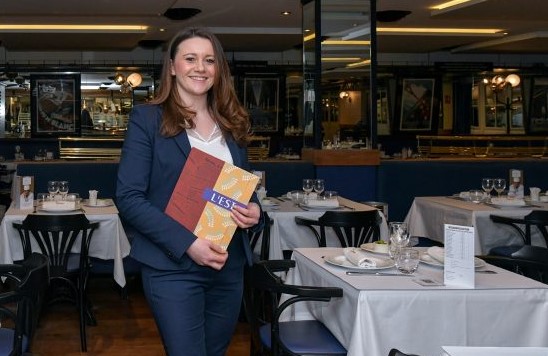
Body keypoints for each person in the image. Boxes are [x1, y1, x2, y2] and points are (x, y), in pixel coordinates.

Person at [115, 27, 264, 356]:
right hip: (173, 268)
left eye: (209, 60)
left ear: (218, 69)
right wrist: (189, 244)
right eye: (191, 58)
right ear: (172, 67)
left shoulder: (233, 122)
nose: (201, 67)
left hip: (228, 266)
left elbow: (242, 192)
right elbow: (128, 198)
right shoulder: (148, 119)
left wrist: (255, 212)